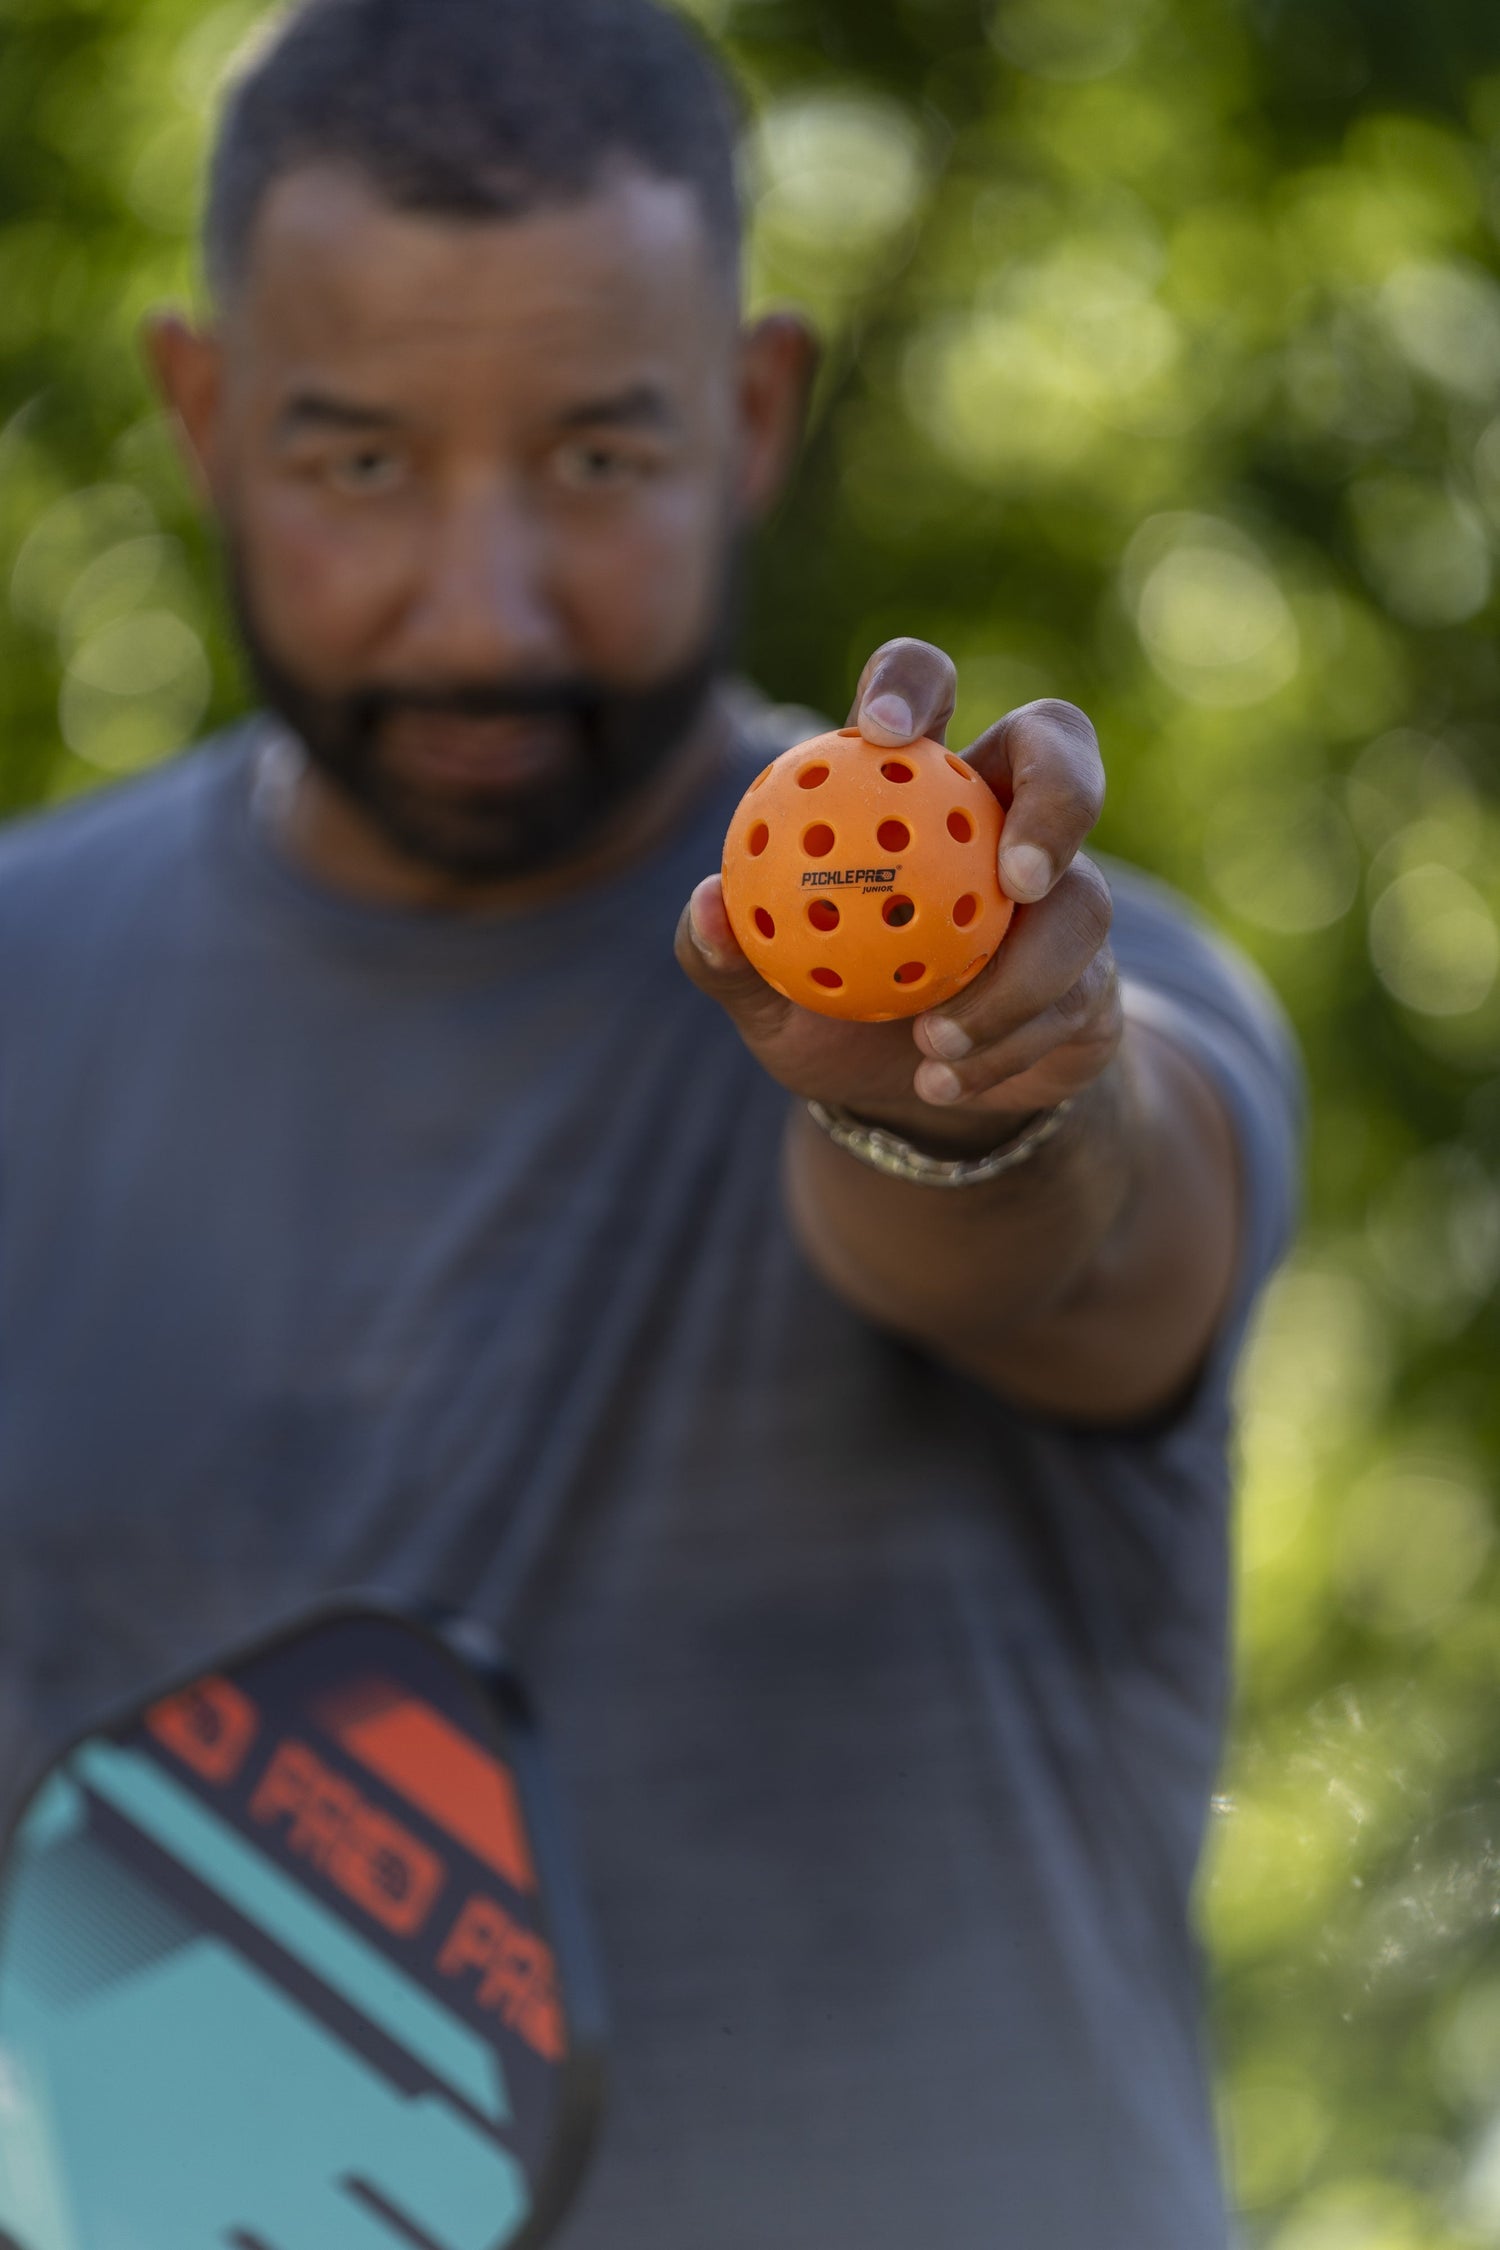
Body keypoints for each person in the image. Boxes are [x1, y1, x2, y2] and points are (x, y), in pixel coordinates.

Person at [0, 0, 1300, 2242]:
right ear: (204, 416)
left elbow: (1083, 1237)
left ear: (752, 409)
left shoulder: (1072, 963)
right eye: (363, 467)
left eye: (598, 461)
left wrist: (974, 1103)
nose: (484, 607)